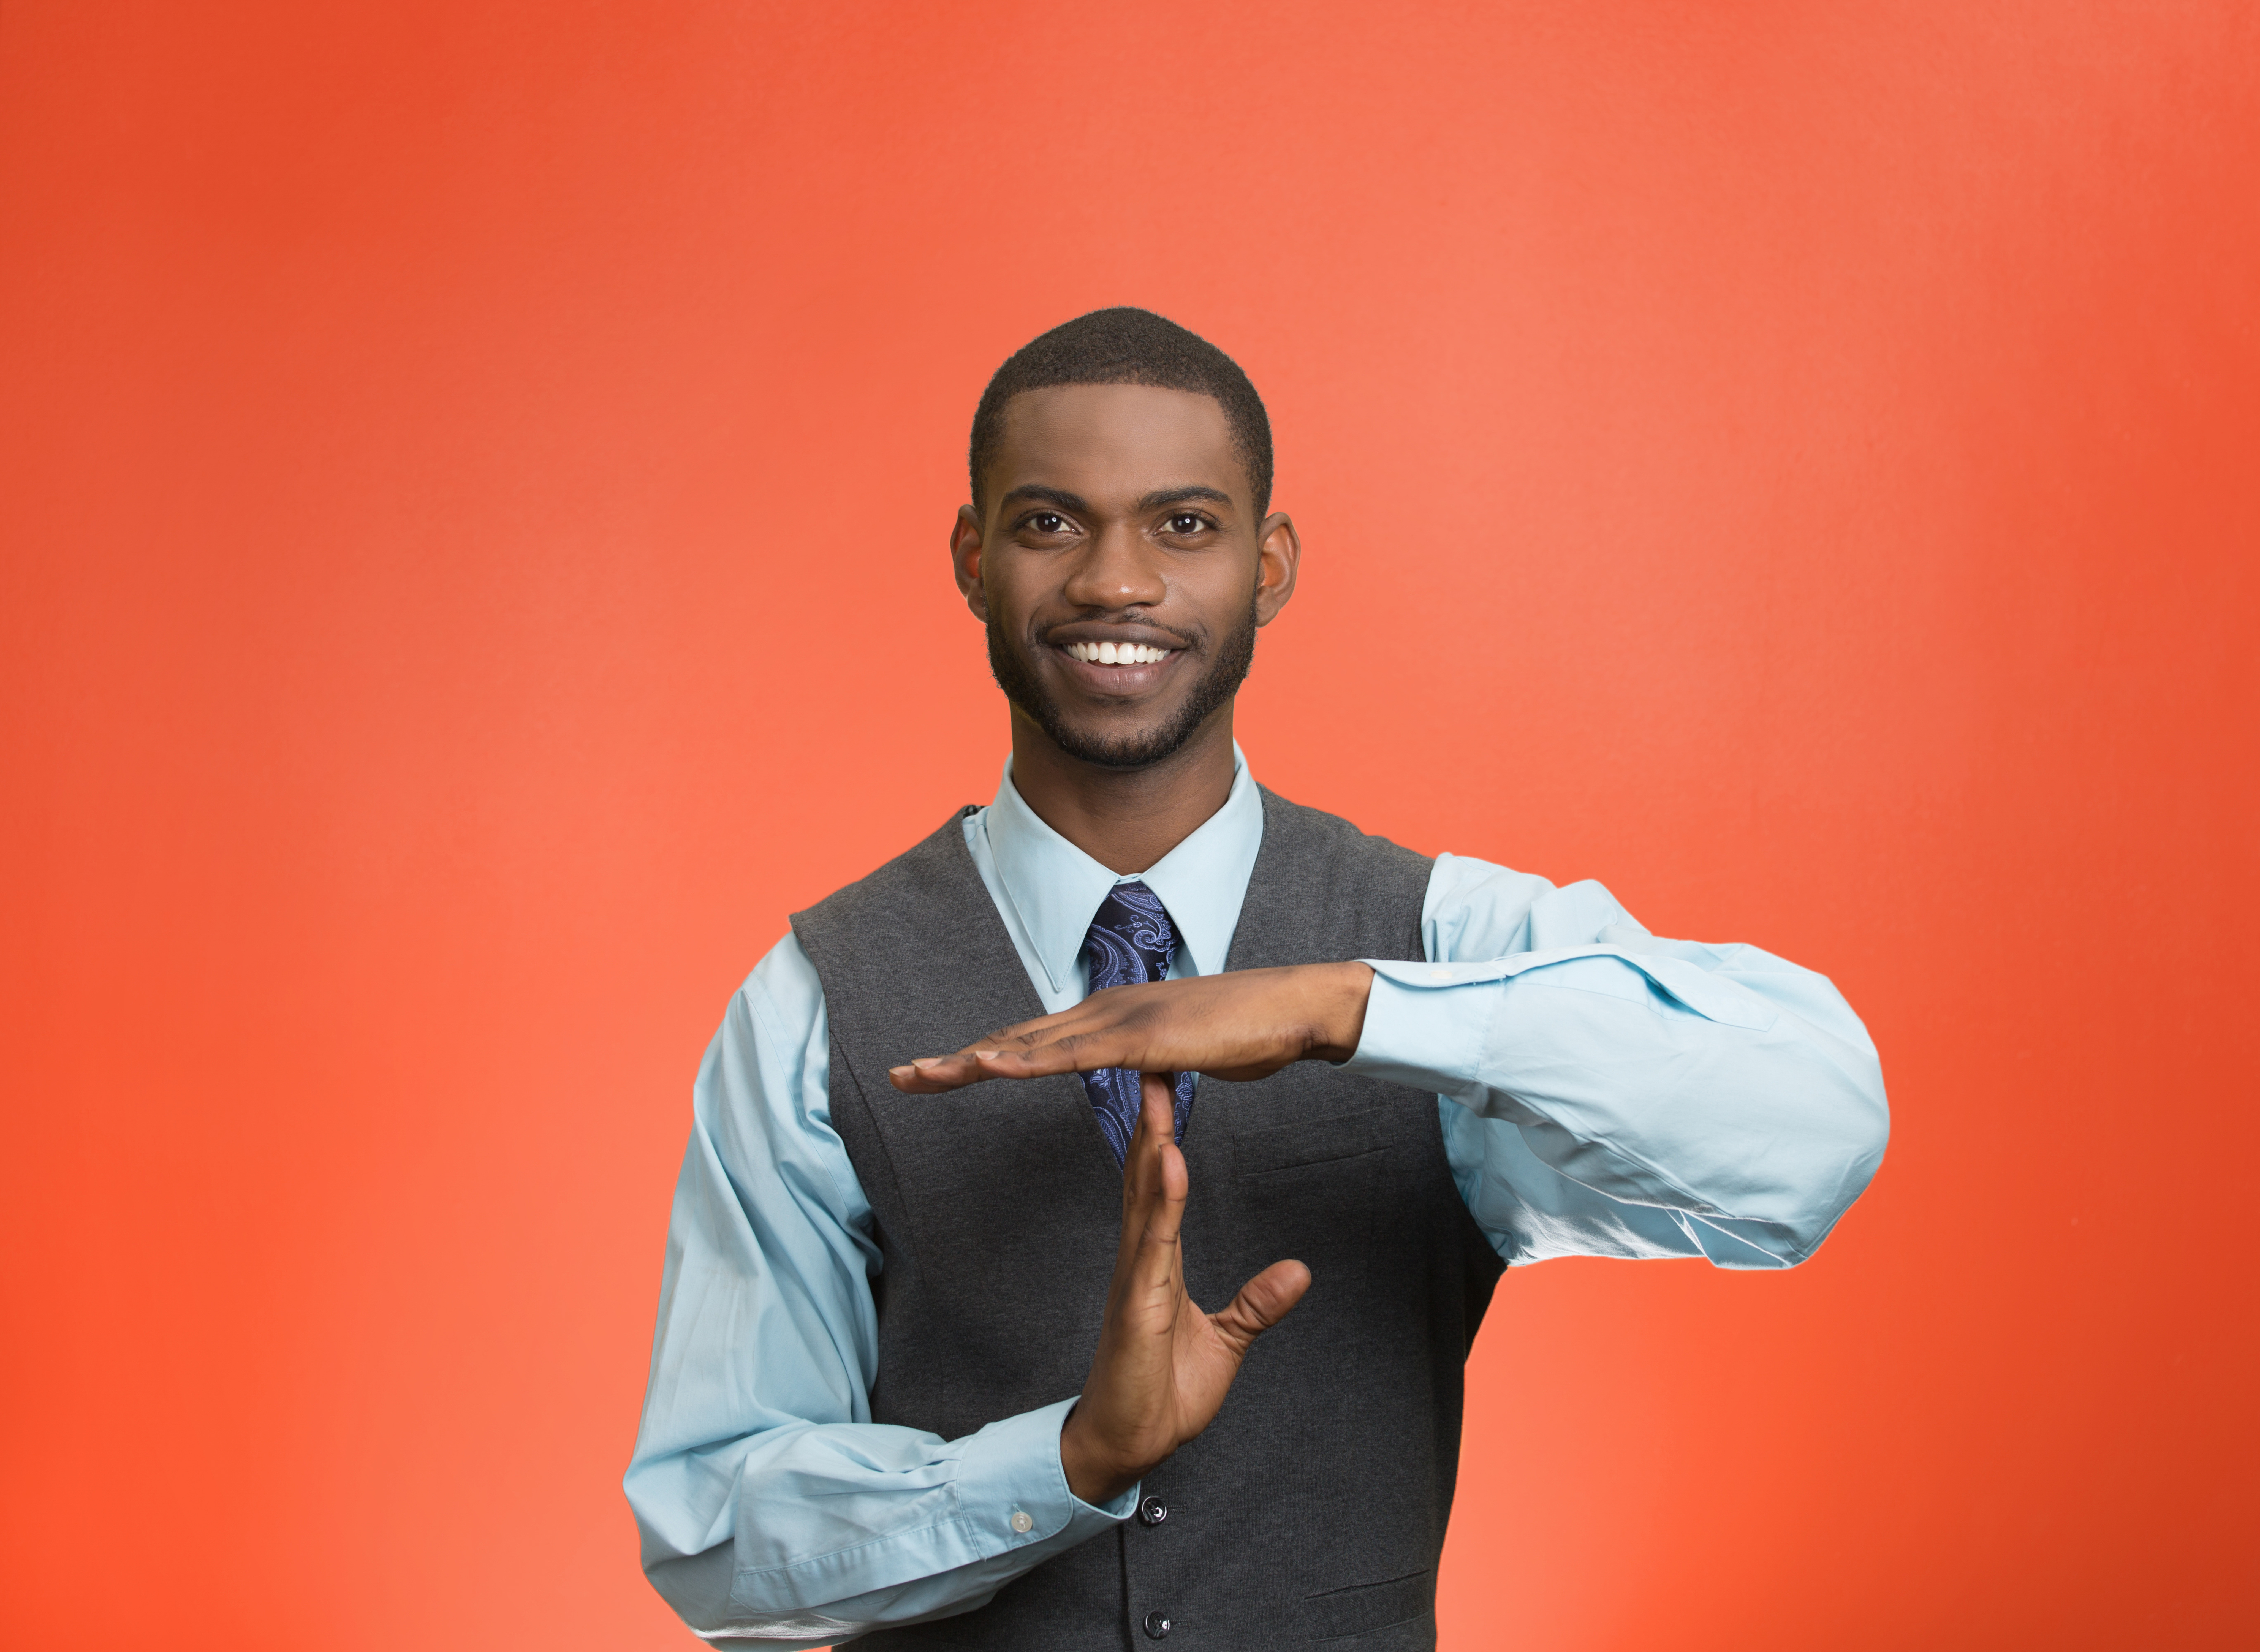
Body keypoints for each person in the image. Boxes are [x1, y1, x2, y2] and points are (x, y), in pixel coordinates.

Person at [624, 307, 1889, 1649]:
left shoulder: (1429, 939)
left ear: (1270, 565)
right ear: (972, 557)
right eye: (1053, 522)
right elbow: (713, 1528)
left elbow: (1812, 1130)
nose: (1117, 582)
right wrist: (1066, 1462)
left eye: (1184, 525)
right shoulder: (815, 997)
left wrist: (1342, 1006)